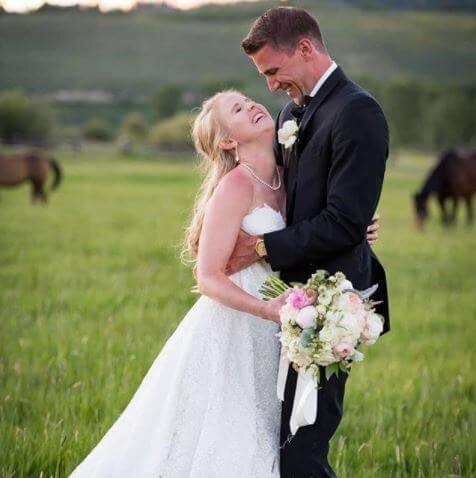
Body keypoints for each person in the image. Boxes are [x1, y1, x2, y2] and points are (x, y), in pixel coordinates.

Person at [69, 90, 380, 477]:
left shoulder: (290, 175)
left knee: (264, 430)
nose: (252, 104)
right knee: (222, 431)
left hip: (277, 322)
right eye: (237, 108)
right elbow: (209, 276)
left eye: (248, 99)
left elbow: (319, 226)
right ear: (228, 140)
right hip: (234, 322)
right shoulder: (236, 187)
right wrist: (264, 309)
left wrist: (353, 227)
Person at [225, 7, 390, 478]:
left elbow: (341, 221)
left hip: (330, 307)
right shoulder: (291, 112)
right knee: (279, 446)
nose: (271, 85)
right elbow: (293, 197)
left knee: (302, 450)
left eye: (273, 71)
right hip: (288, 300)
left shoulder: (358, 111)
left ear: (305, 48)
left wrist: (261, 248)